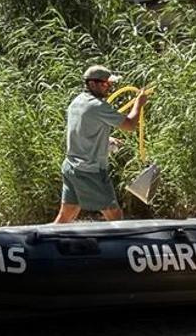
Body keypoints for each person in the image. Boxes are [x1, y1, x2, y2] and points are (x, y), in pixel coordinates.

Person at [52, 65, 147, 223]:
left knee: (66, 215)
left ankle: (47, 243)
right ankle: (122, 246)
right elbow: (130, 125)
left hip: (71, 167)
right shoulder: (98, 106)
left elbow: (81, 131)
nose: (109, 87)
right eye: (105, 84)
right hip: (90, 172)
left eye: (110, 84)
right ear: (92, 84)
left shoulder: (76, 102)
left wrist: (106, 141)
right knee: (115, 215)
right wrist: (139, 103)